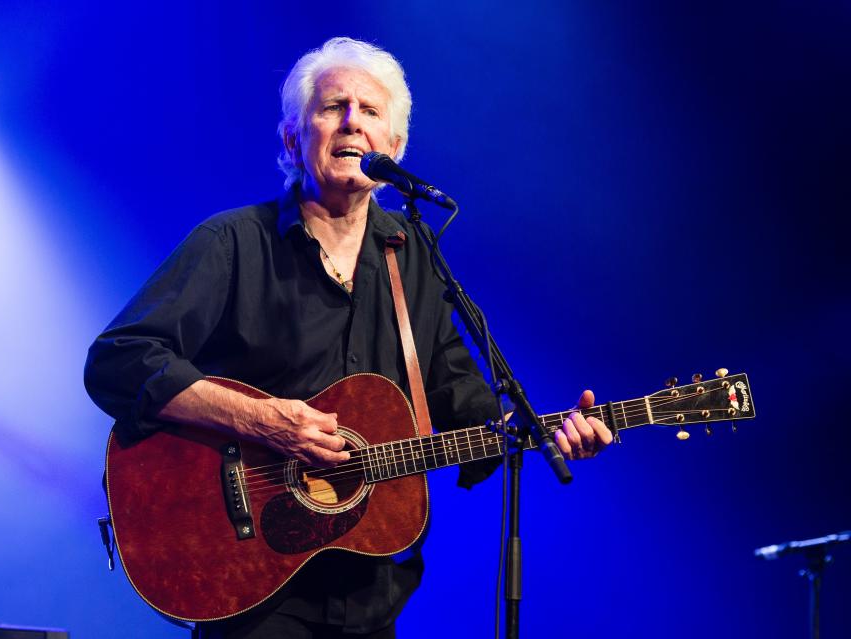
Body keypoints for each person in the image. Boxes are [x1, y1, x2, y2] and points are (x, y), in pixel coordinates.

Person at [84, 37, 612, 639]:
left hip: (372, 589)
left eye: (370, 111)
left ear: (395, 147)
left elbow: (466, 403)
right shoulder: (233, 243)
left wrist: (547, 432)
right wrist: (259, 420)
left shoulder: (413, 259)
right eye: (334, 106)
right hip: (252, 585)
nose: (352, 122)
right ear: (292, 139)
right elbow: (117, 361)